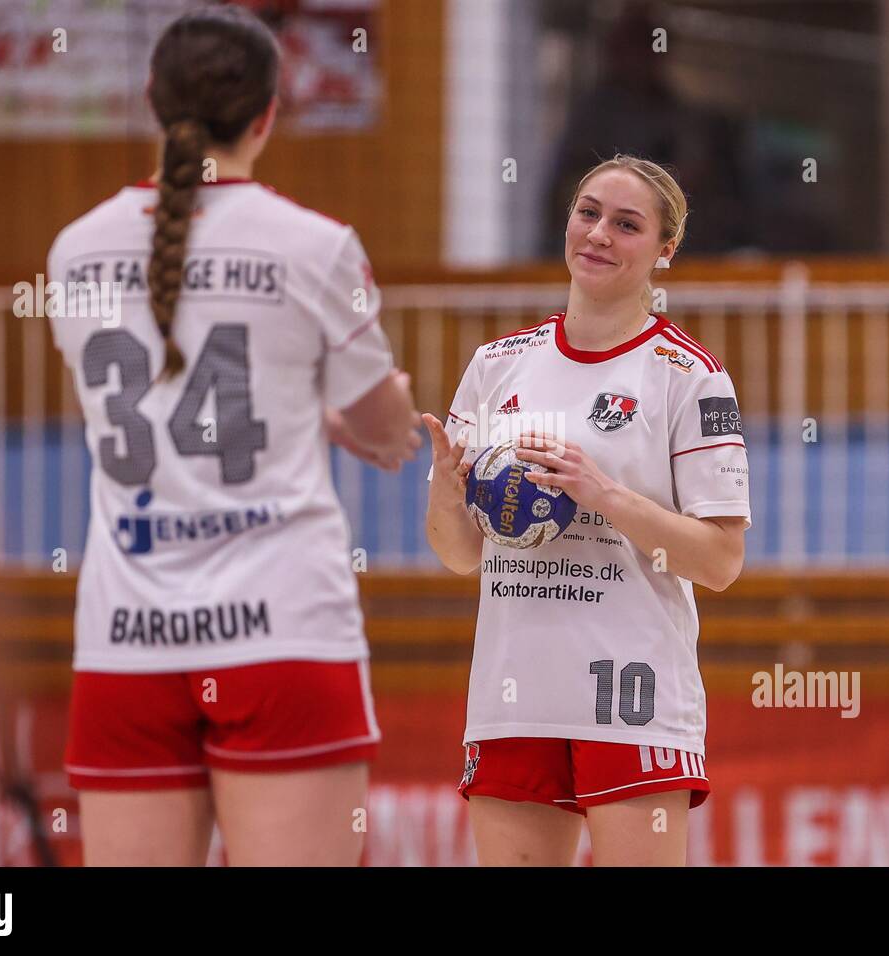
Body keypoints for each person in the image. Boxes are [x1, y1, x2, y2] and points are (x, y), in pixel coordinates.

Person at [47, 6, 419, 866]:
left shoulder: (72, 252)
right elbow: (381, 423)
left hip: (127, 641)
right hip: (282, 633)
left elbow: (154, 399)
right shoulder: (316, 247)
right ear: (268, 113)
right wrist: (361, 416)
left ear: (151, 99)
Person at [423, 154, 750, 866]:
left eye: (627, 224)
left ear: (665, 250)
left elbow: (721, 561)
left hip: (630, 694)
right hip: (515, 691)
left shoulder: (688, 376)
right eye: (588, 212)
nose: (599, 234)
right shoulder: (497, 364)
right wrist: (446, 491)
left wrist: (604, 495)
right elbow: (460, 555)